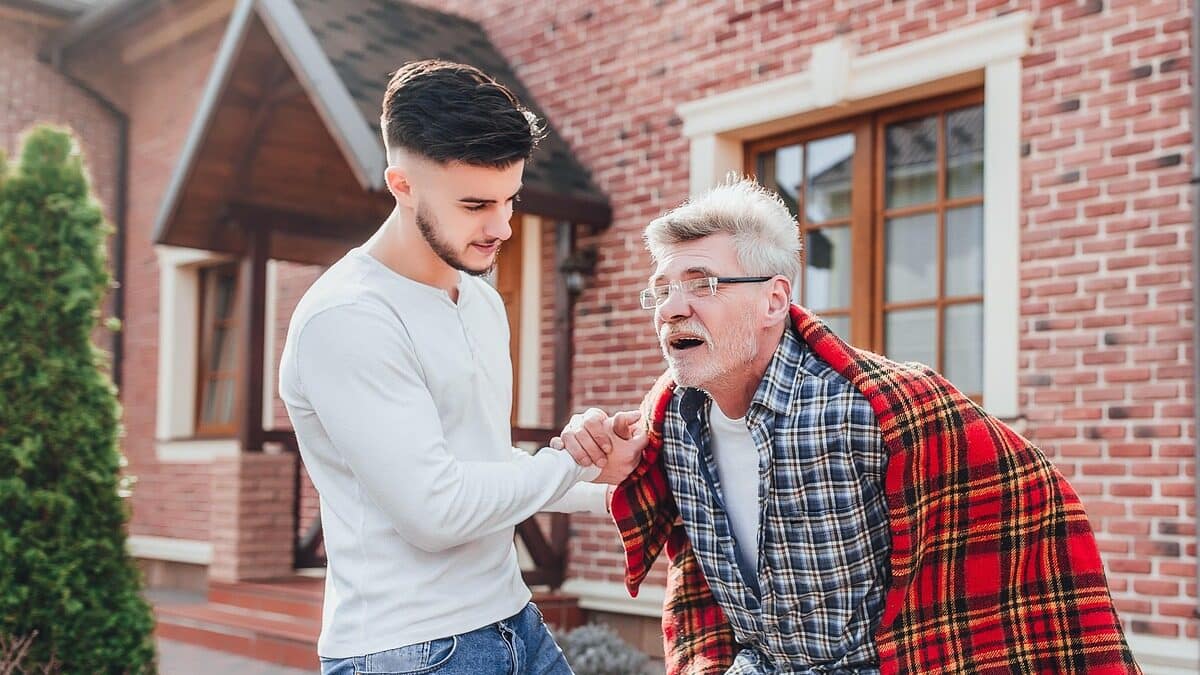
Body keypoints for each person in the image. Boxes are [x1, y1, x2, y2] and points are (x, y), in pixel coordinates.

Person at [556, 178, 1140, 674]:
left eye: (701, 284)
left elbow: (1037, 504)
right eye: (661, 290)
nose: (670, 308)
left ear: (773, 301)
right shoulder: (670, 425)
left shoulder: (878, 408)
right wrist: (611, 464)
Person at [278, 60, 646, 675]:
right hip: (410, 650)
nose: (501, 226)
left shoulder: (477, 298)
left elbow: (484, 466)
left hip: (511, 619)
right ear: (401, 185)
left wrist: (606, 486)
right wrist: (568, 462)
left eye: (510, 200)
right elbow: (437, 512)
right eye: (476, 204)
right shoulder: (348, 319)